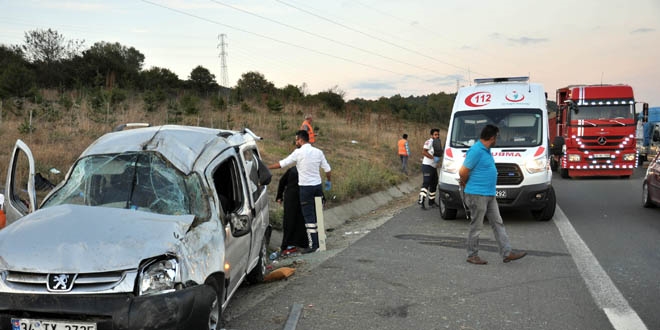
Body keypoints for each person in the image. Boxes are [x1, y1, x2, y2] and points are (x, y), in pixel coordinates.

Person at [458, 124, 527, 265]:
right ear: (492, 137)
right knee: (476, 226)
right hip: (477, 194)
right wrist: (465, 184)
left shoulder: (486, 150)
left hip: (489, 194)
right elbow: (463, 171)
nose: (497, 140)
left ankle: (507, 252)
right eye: (497, 137)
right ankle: (472, 255)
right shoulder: (476, 150)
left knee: (497, 223)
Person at [269, 130, 331, 253]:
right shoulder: (318, 152)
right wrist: (329, 181)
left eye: (296, 140)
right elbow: (328, 169)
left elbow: (282, 164)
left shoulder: (298, 152)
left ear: (301, 139)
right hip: (317, 187)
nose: (296, 142)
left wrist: (267, 167)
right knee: (318, 212)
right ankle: (321, 243)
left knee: (309, 217)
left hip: (306, 189)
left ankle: (314, 245)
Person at [276, 164, 308, 251]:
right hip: (302, 198)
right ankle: (302, 243)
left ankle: (287, 244)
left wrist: (279, 196)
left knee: (289, 221)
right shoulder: (309, 171)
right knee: (301, 220)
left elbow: (282, 182)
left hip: (291, 198)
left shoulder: (292, 170)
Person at [418, 128, 441, 209]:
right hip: (427, 166)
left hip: (433, 167)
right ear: (431, 135)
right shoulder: (429, 141)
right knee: (426, 183)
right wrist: (433, 158)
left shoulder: (437, 142)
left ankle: (431, 202)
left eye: (438, 134)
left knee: (434, 183)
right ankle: (421, 201)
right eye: (435, 135)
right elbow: (424, 152)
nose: (437, 136)